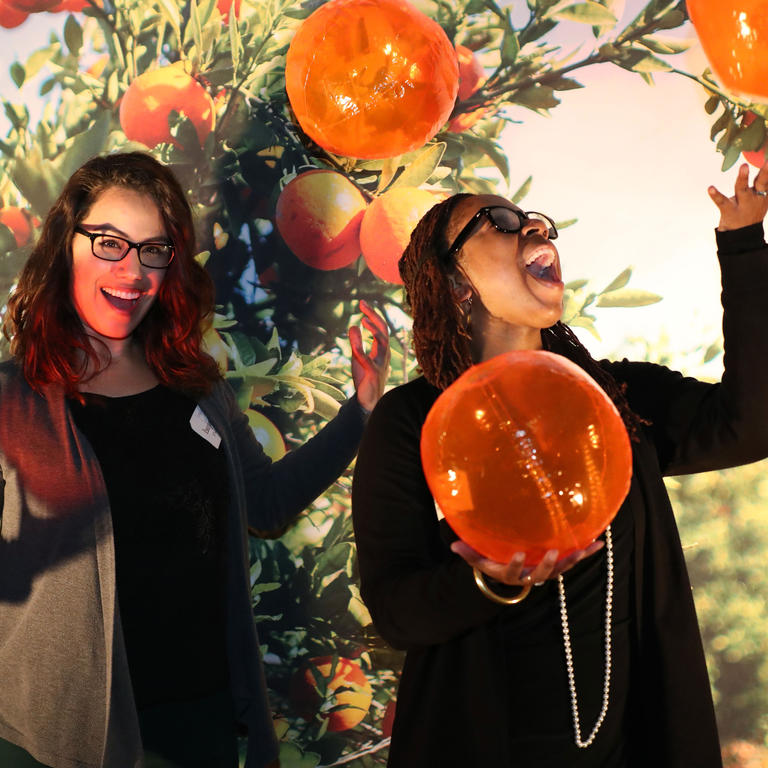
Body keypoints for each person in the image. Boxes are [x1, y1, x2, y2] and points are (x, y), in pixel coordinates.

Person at [351, 162, 768, 767]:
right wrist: (489, 579)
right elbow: (396, 612)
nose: (535, 231)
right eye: (500, 223)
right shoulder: (413, 420)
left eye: (537, 224)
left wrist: (743, 244)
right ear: (454, 282)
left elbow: (749, 424)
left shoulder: (618, 400)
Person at [0, 151, 390, 768]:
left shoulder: (196, 384)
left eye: (153, 250)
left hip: (198, 723)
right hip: (63, 742)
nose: (132, 270)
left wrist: (361, 414)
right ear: (65, 246)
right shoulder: (10, 400)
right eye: (109, 243)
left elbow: (265, 503)